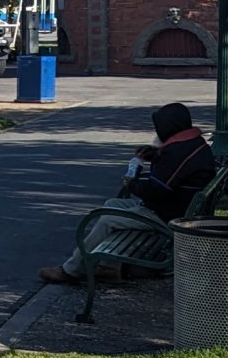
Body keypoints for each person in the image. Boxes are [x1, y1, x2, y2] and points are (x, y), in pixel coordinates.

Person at [40, 102, 216, 285]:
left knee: (108, 220)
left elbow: (156, 191)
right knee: (112, 205)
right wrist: (155, 155)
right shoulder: (192, 143)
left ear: (168, 128)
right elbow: (170, 176)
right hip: (180, 208)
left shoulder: (178, 153)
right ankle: (108, 267)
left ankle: (72, 270)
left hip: (167, 216)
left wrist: (132, 183)